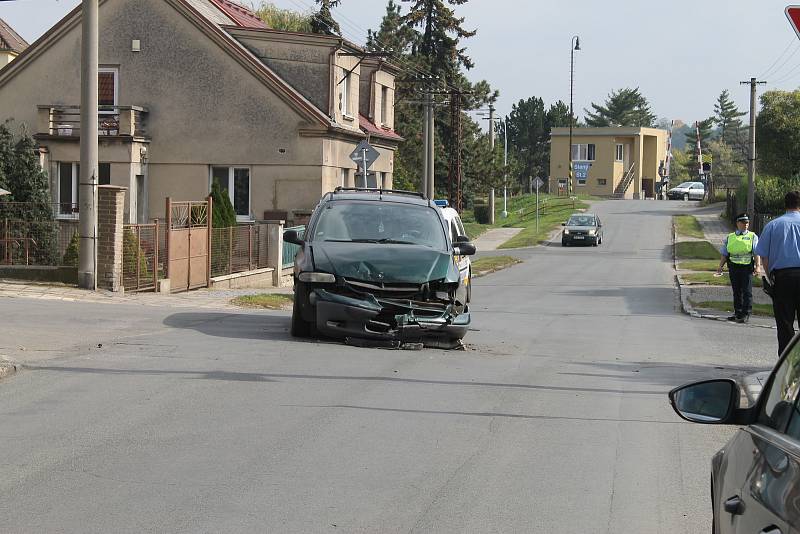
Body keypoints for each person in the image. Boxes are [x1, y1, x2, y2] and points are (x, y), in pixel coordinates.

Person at [754, 191, 800, 356]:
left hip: (783, 277)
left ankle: (786, 367)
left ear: (785, 205)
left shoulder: (773, 225)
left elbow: (764, 257)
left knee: (785, 324)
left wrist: (771, 277)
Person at [716, 213, 761, 323]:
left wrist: (758, 266)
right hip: (733, 267)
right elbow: (725, 253)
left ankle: (745, 313)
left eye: (747, 223)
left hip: (746, 267)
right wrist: (720, 266)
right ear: (737, 223)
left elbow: (756, 253)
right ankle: (738, 312)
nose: (746, 225)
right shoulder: (730, 237)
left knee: (746, 291)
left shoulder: (752, 236)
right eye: (743, 223)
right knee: (736, 291)